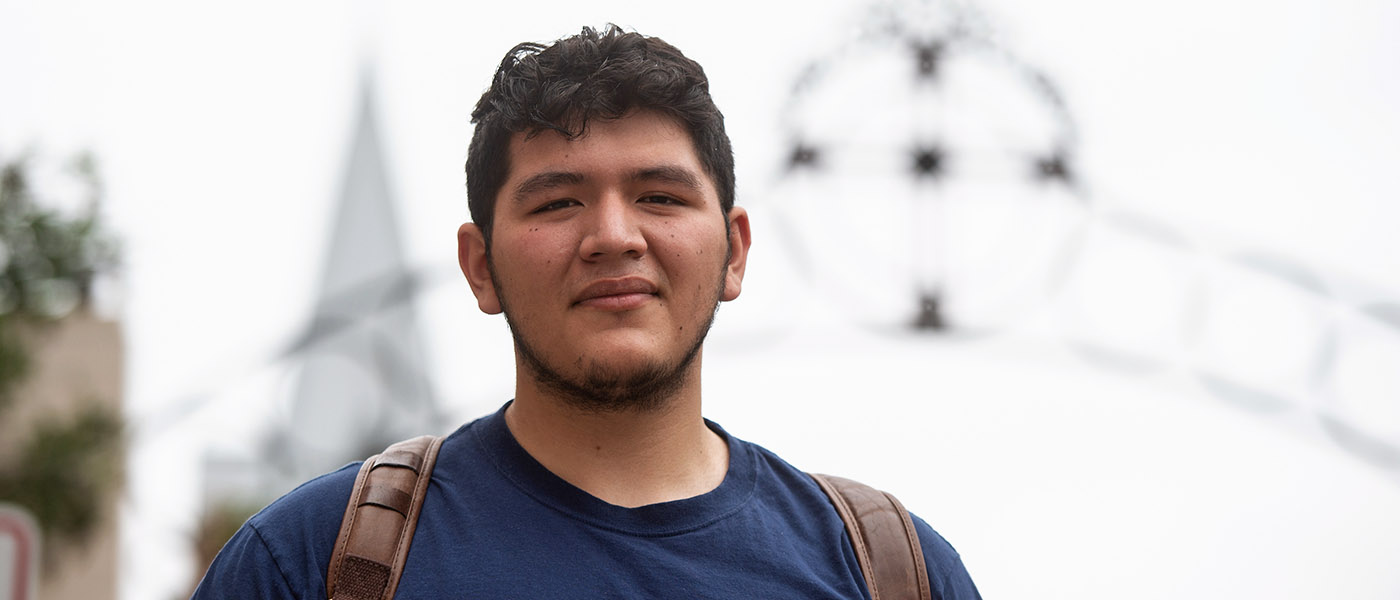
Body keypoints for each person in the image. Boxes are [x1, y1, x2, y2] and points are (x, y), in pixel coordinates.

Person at [192, 25, 980, 599]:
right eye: (560, 202)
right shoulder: (310, 564)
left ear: (734, 252)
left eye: (660, 197)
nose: (613, 236)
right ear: (481, 267)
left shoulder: (893, 573)